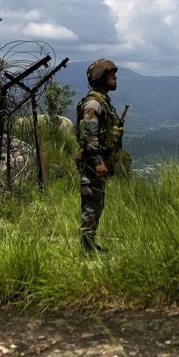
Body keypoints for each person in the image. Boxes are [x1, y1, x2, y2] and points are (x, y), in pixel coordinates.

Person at [75, 58, 123, 253]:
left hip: (96, 163)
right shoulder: (94, 104)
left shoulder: (102, 102)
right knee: (91, 206)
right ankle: (86, 249)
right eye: (111, 74)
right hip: (92, 164)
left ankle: (89, 245)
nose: (115, 77)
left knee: (96, 205)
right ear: (101, 77)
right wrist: (98, 163)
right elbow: (89, 137)